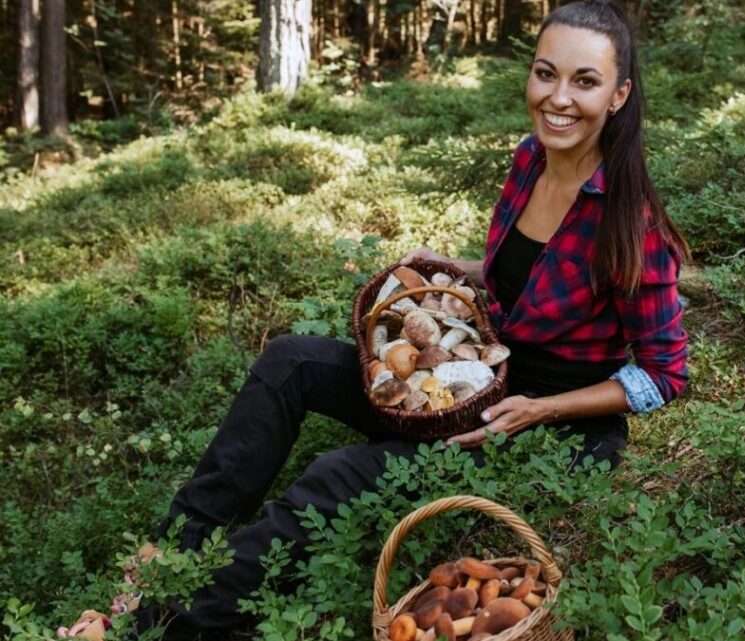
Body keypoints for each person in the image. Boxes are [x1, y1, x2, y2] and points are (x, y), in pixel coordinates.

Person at [62, 1, 689, 638]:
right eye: (545, 73)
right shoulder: (530, 160)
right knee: (291, 362)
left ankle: (165, 626)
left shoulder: (632, 226)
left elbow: (664, 375)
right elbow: (532, 280)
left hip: (547, 427)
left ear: (618, 95)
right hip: (475, 380)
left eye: (584, 81)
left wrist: (540, 410)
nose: (558, 97)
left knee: (338, 472)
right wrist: (462, 267)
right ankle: (167, 560)